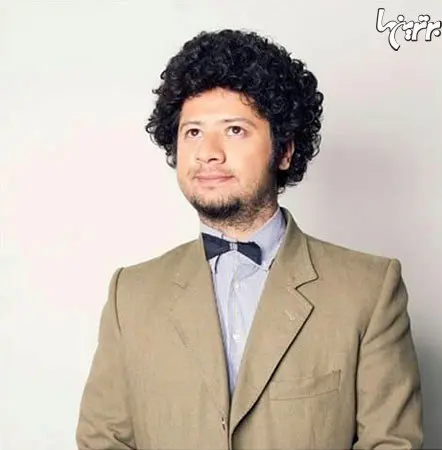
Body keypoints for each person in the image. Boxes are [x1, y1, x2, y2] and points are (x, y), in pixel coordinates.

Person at [76, 29, 423, 449]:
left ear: (285, 150)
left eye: (235, 130)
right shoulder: (129, 294)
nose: (208, 152)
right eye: (193, 132)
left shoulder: (369, 289)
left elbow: (391, 443)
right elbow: (103, 440)